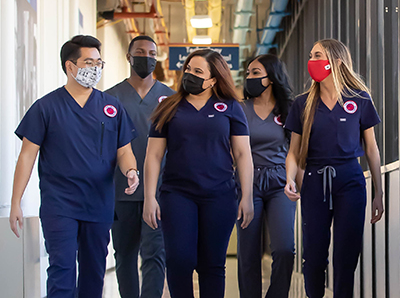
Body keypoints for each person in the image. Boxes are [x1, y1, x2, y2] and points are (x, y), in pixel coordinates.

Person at [9, 35, 139, 298]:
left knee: (93, 273)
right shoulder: (46, 107)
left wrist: (131, 171)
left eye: (99, 62)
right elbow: (26, 156)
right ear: (70, 66)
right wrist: (15, 202)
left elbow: (124, 150)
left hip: (98, 204)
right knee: (62, 270)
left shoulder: (111, 107)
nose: (96, 68)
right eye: (88, 62)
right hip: (60, 205)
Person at [143, 49, 254, 298]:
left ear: (213, 79)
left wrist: (247, 195)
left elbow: (243, 154)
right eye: (188, 69)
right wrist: (149, 197)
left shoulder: (231, 107)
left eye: (198, 71)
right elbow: (154, 155)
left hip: (220, 195)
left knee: (212, 264)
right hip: (177, 194)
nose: (190, 75)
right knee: (179, 260)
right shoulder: (168, 107)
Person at [284, 38, 384, 298]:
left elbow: (372, 148)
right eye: (310, 55)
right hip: (315, 180)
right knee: (314, 256)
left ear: (336, 61)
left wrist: (378, 192)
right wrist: (290, 178)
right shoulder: (302, 103)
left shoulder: (360, 99)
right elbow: (293, 152)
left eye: (317, 55)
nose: (311, 61)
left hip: (350, 180)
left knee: (346, 256)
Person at [106, 35, 174, 298]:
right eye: (140, 52)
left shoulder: (169, 98)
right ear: (129, 57)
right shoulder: (110, 98)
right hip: (121, 191)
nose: (146, 57)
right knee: (124, 253)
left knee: (155, 253)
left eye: (152, 53)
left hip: (157, 192)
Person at [237, 54, 297, 298]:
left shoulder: (290, 109)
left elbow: (297, 150)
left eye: (255, 73)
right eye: (248, 73)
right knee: (248, 252)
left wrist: (298, 182)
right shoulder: (240, 109)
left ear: (270, 78)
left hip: (280, 182)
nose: (250, 78)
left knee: (284, 248)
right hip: (246, 182)